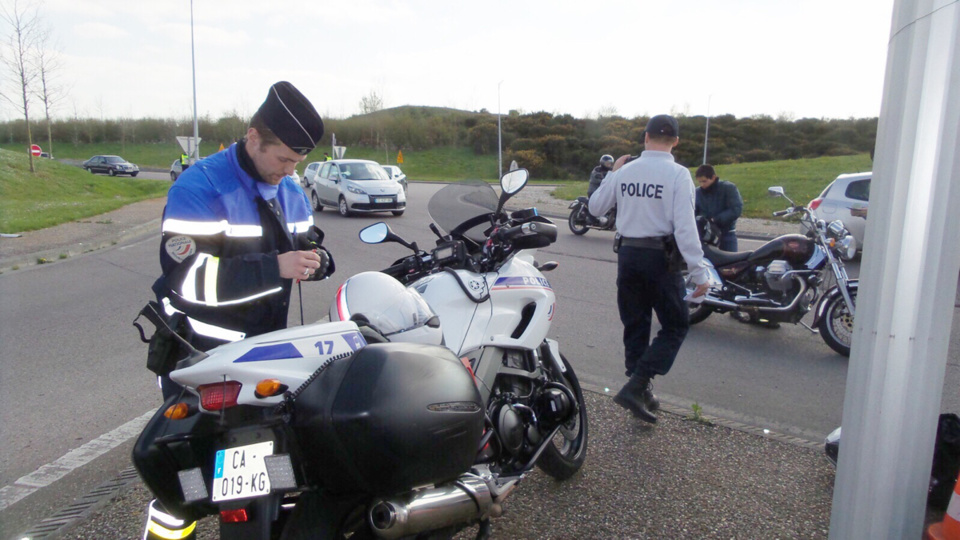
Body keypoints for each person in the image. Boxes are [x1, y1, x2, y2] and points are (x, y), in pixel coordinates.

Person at [142, 81, 331, 540]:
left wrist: (318, 262)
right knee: (188, 486)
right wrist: (277, 267)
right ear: (252, 138)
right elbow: (188, 280)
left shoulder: (289, 190)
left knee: (269, 471)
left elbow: (307, 245)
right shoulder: (199, 186)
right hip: (199, 360)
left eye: (296, 163)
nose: (288, 172)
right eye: (282, 159)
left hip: (262, 358)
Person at [588, 114, 709, 424]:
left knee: (636, 322)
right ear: (676, 142)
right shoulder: (679, 175)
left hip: (628, 254)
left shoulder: (625, 171)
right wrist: (699, 272)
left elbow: (595, 208)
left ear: (645, 137)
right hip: (660, 259)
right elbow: (685, 227)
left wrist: (613, 174)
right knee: (676, 325)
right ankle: (637, 386)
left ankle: (641, 390)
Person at [694, 164, 742, 251]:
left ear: (713, 177)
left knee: (732, 262)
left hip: (726, 234)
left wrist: (715, 220)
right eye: (699, 182)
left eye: (704, 181)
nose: (702, 185)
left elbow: (736, 209)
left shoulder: (728, 188)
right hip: (705, 235)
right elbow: (693, 211)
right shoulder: (697, 192)